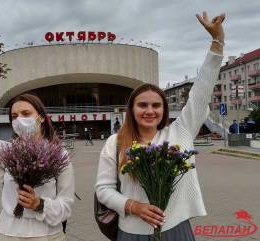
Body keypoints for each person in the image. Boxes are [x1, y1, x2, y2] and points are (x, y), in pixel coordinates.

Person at [95, 12, 225, 241]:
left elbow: (201, 91)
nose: (149, 110)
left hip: (176, 229)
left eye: (156, 105)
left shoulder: (179, 132)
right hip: (132, 233)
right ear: (132, 110)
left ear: (164, 110)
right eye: (142, 105)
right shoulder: (115, 142)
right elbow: (103, 190)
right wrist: (133, 206)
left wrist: (217, 43)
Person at [0, 73, 75, 241]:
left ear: (40, 116)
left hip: (47, 234)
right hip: (9, 232)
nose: (20, 120)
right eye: (15, 116)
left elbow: (66, 205)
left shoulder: (59, 155)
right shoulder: (7, 151)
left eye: (26, 113)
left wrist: (39, 205)